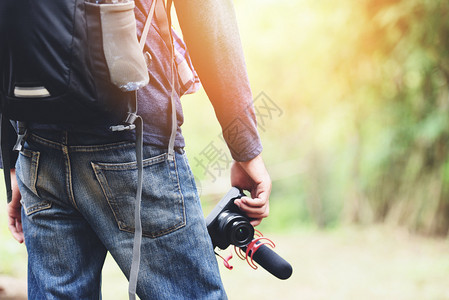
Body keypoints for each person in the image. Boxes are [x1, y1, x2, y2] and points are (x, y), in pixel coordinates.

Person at [5, 0, 271, 298]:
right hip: (134, 142)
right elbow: (209, 20)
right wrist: (245, 150)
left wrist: (13, 159)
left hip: (37, 150)